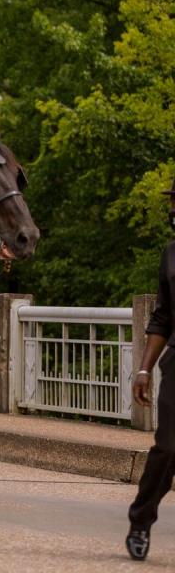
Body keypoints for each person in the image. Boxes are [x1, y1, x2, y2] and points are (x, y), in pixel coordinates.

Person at [127, 179, 175, 560]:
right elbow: (162, 318)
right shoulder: (171, 254)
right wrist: (144, 369)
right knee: (168, 448)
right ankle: (141, 520)